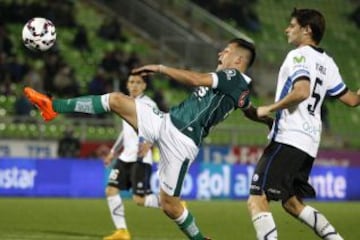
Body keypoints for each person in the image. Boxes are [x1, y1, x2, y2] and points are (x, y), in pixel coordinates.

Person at [23, 38, 273, 240]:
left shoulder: (233, 78)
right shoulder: (241, 89)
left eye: (226, 51)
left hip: (181, 141)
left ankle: (199, 239)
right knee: (116, 100)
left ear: (238, 60)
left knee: (170, 205)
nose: (221, 53)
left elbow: (197, 79)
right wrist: (268, 121)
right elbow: (249, 109)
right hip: (165, 121)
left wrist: (161, 68)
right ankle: (53, 106)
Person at [247, 8, 360, 240]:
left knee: (257, 198)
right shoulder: (328, 62)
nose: (287, 29)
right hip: (309, 144)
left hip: (289, 137)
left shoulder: (298, 55)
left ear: (306, 30)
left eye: (292, 25)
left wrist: (270, 108)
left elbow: (302, 91)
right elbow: (352, 100)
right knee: (291, 203)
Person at [102, 74, 161, 240]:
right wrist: (113, 151)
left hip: (141, 158)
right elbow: (124, 131)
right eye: (131, 82)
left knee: (139, 200)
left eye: (138, 83)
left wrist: (149, 143)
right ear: (127, 85)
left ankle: (172, 205)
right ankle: (122, 231)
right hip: (125, 157)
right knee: (111, 190)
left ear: (144, 86)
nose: (134, 85)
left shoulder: (149, 104)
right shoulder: (125, 103)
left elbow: (159, 128)